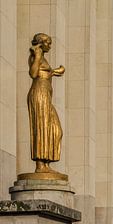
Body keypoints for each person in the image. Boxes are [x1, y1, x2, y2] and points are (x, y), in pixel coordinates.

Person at [27, 33, 65, 173]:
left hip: (46, 95)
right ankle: (40, 165)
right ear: (40, 43)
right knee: (42, 126)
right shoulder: (35, 56)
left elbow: (45, 73)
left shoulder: (43, 58)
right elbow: (33, 73)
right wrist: (36, 56)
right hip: (39, 93)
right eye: (47, 42)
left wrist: (55, 71)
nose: (49, 45)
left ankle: (46, 163)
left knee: (56, 130)